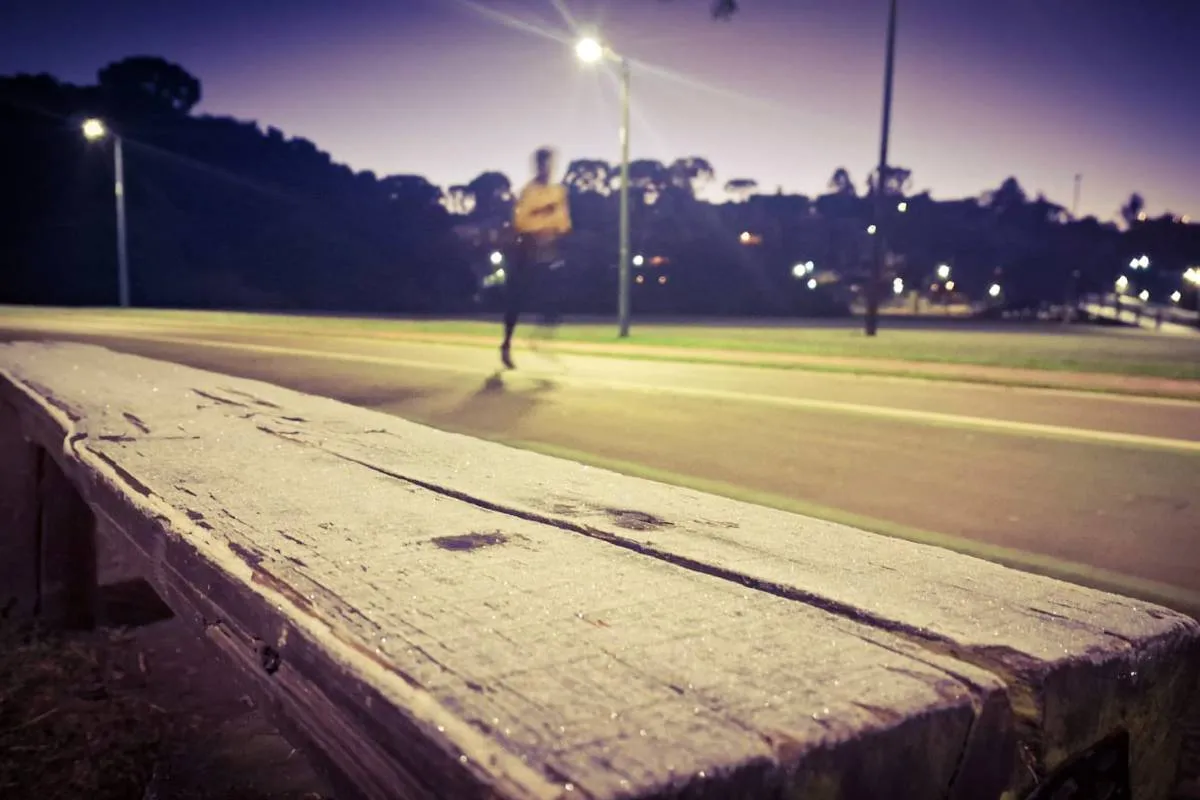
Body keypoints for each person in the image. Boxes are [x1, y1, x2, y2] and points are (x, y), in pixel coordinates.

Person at [501, 146, 572, 369]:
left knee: (556, 297)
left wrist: (558, 230)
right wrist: (543, 213)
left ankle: (540, 339)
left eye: (551, 164)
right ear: (537, 166)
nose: (548, 168)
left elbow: (564, 222)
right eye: (544, 164)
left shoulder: (558, 192)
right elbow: (520, 222)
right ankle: (506, 344)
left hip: (549, 247)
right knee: (516, 300)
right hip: (527, 247)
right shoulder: (528, 191)